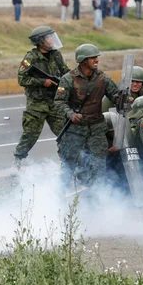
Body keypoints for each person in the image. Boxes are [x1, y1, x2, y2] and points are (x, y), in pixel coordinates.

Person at [54, 43, 120, 190]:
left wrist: (122, 100)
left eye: (97, 57)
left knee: (99, 164)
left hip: (96, 129)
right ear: (84, 60)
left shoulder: (103, 78)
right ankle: (60, 196)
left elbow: (115, 95)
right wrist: (71, 114)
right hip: (74, 130)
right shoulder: (68, 79)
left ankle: (98, 198)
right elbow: (59, 102)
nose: (97, 60)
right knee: (69, 164)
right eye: (93, 58)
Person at [14, 26, 70, 169]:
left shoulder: (56, 55)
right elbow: (22, 79)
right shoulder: (31, 58)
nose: (52, 40)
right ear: (40, 41)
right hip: (37, 104)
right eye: (48, 37)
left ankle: (67, 164)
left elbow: (65, 72)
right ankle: (18, 162)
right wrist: (42, 82)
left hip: (54, 102)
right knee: (30, 135)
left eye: (52, 37)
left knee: (65, 134)